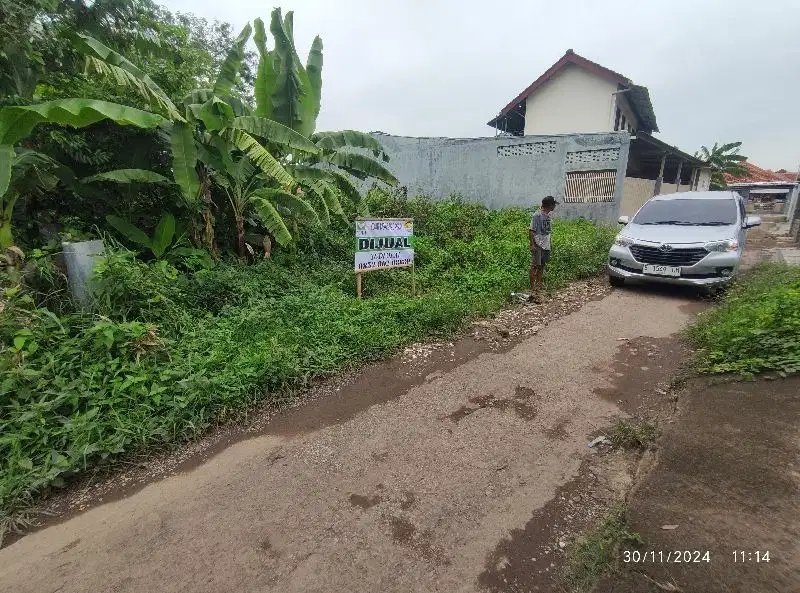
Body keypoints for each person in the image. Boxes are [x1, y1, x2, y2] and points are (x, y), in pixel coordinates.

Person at [529, 195, 558, 302]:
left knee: (541, 266)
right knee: (535, 266)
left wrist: (549, 243)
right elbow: (531, 230)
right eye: (553, 204)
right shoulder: (537, 215)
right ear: (549, 205)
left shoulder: (548, 215)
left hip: (546, 245)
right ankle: (532, 288)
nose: (554, 206)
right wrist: (532, 245)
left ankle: (538, 285)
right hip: (538, 245)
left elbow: (548, 231)